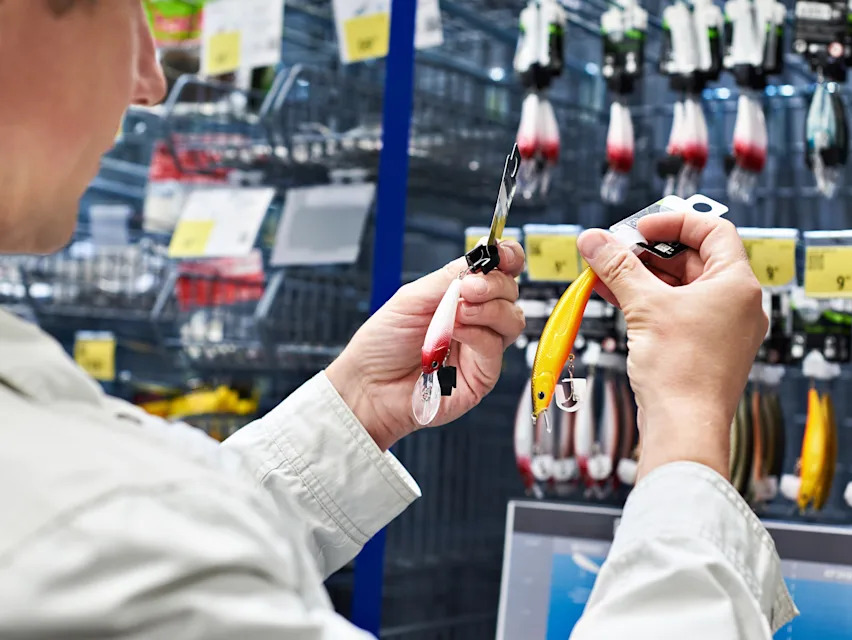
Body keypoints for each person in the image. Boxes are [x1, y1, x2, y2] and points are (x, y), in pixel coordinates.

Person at [0, 2, 796, 638]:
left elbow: (157, 536)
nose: (151, 78)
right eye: (120, 9)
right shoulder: (81, 531)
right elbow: (133, 547)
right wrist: (690, 426)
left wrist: (354, 407)